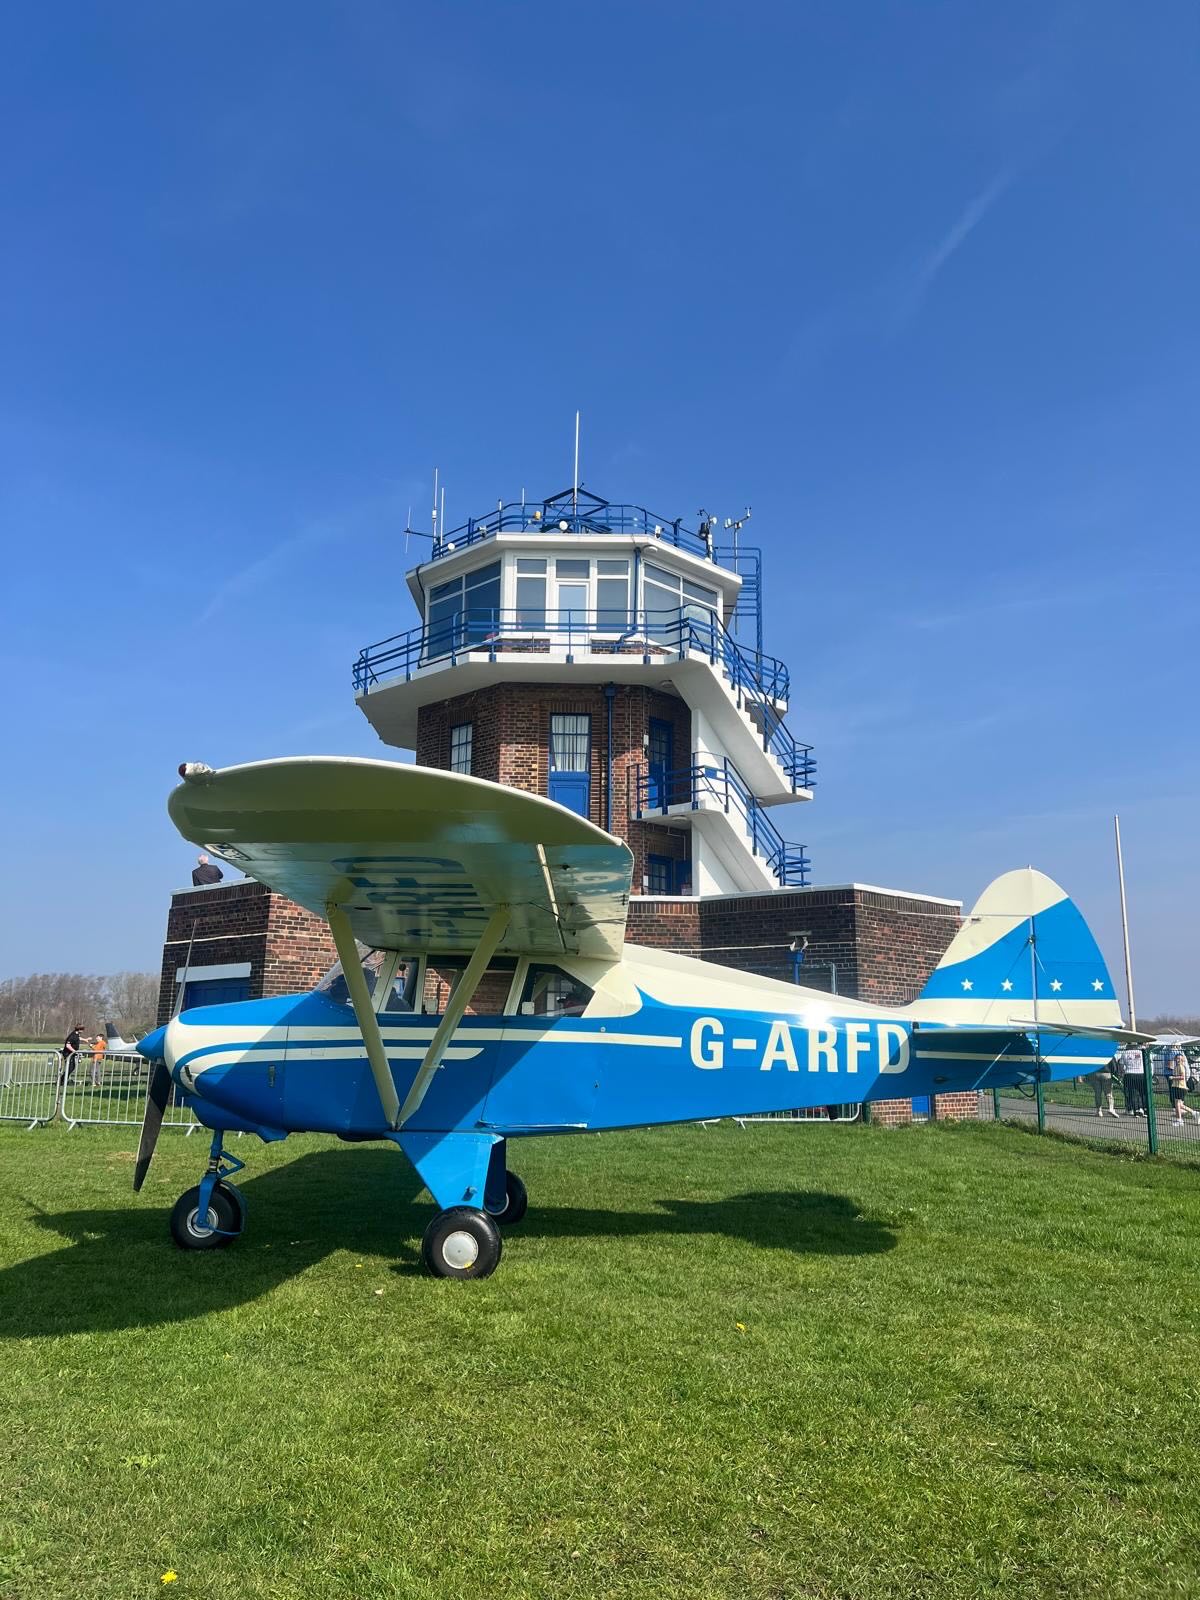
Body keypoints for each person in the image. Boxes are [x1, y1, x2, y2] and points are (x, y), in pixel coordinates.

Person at [1166, 1045, 1200, 1126]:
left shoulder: (1181, 1067)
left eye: (1180, 1059)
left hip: (1180, 1087)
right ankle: (1194, 1113)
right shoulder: (1176, 1067)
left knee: (1177, 1104)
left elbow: (1182, 1077)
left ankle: (1179, 1120)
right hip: (1176, 1086)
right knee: (1180, 1105)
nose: (1178, 1060)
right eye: (1177, 1059)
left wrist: (1173, 1077)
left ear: (1182, 1060)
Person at [1117, 1045, 1147, 1116]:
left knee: (1132, 1093)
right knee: (1143, 1092)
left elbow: (1121, 1065)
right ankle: (1145, 1109)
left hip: (1129, 1073)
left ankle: (1136, 1110)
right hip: (1141, 1073)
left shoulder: (1125, 1053)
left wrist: (1123, 1072)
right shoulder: (1141, 1052)